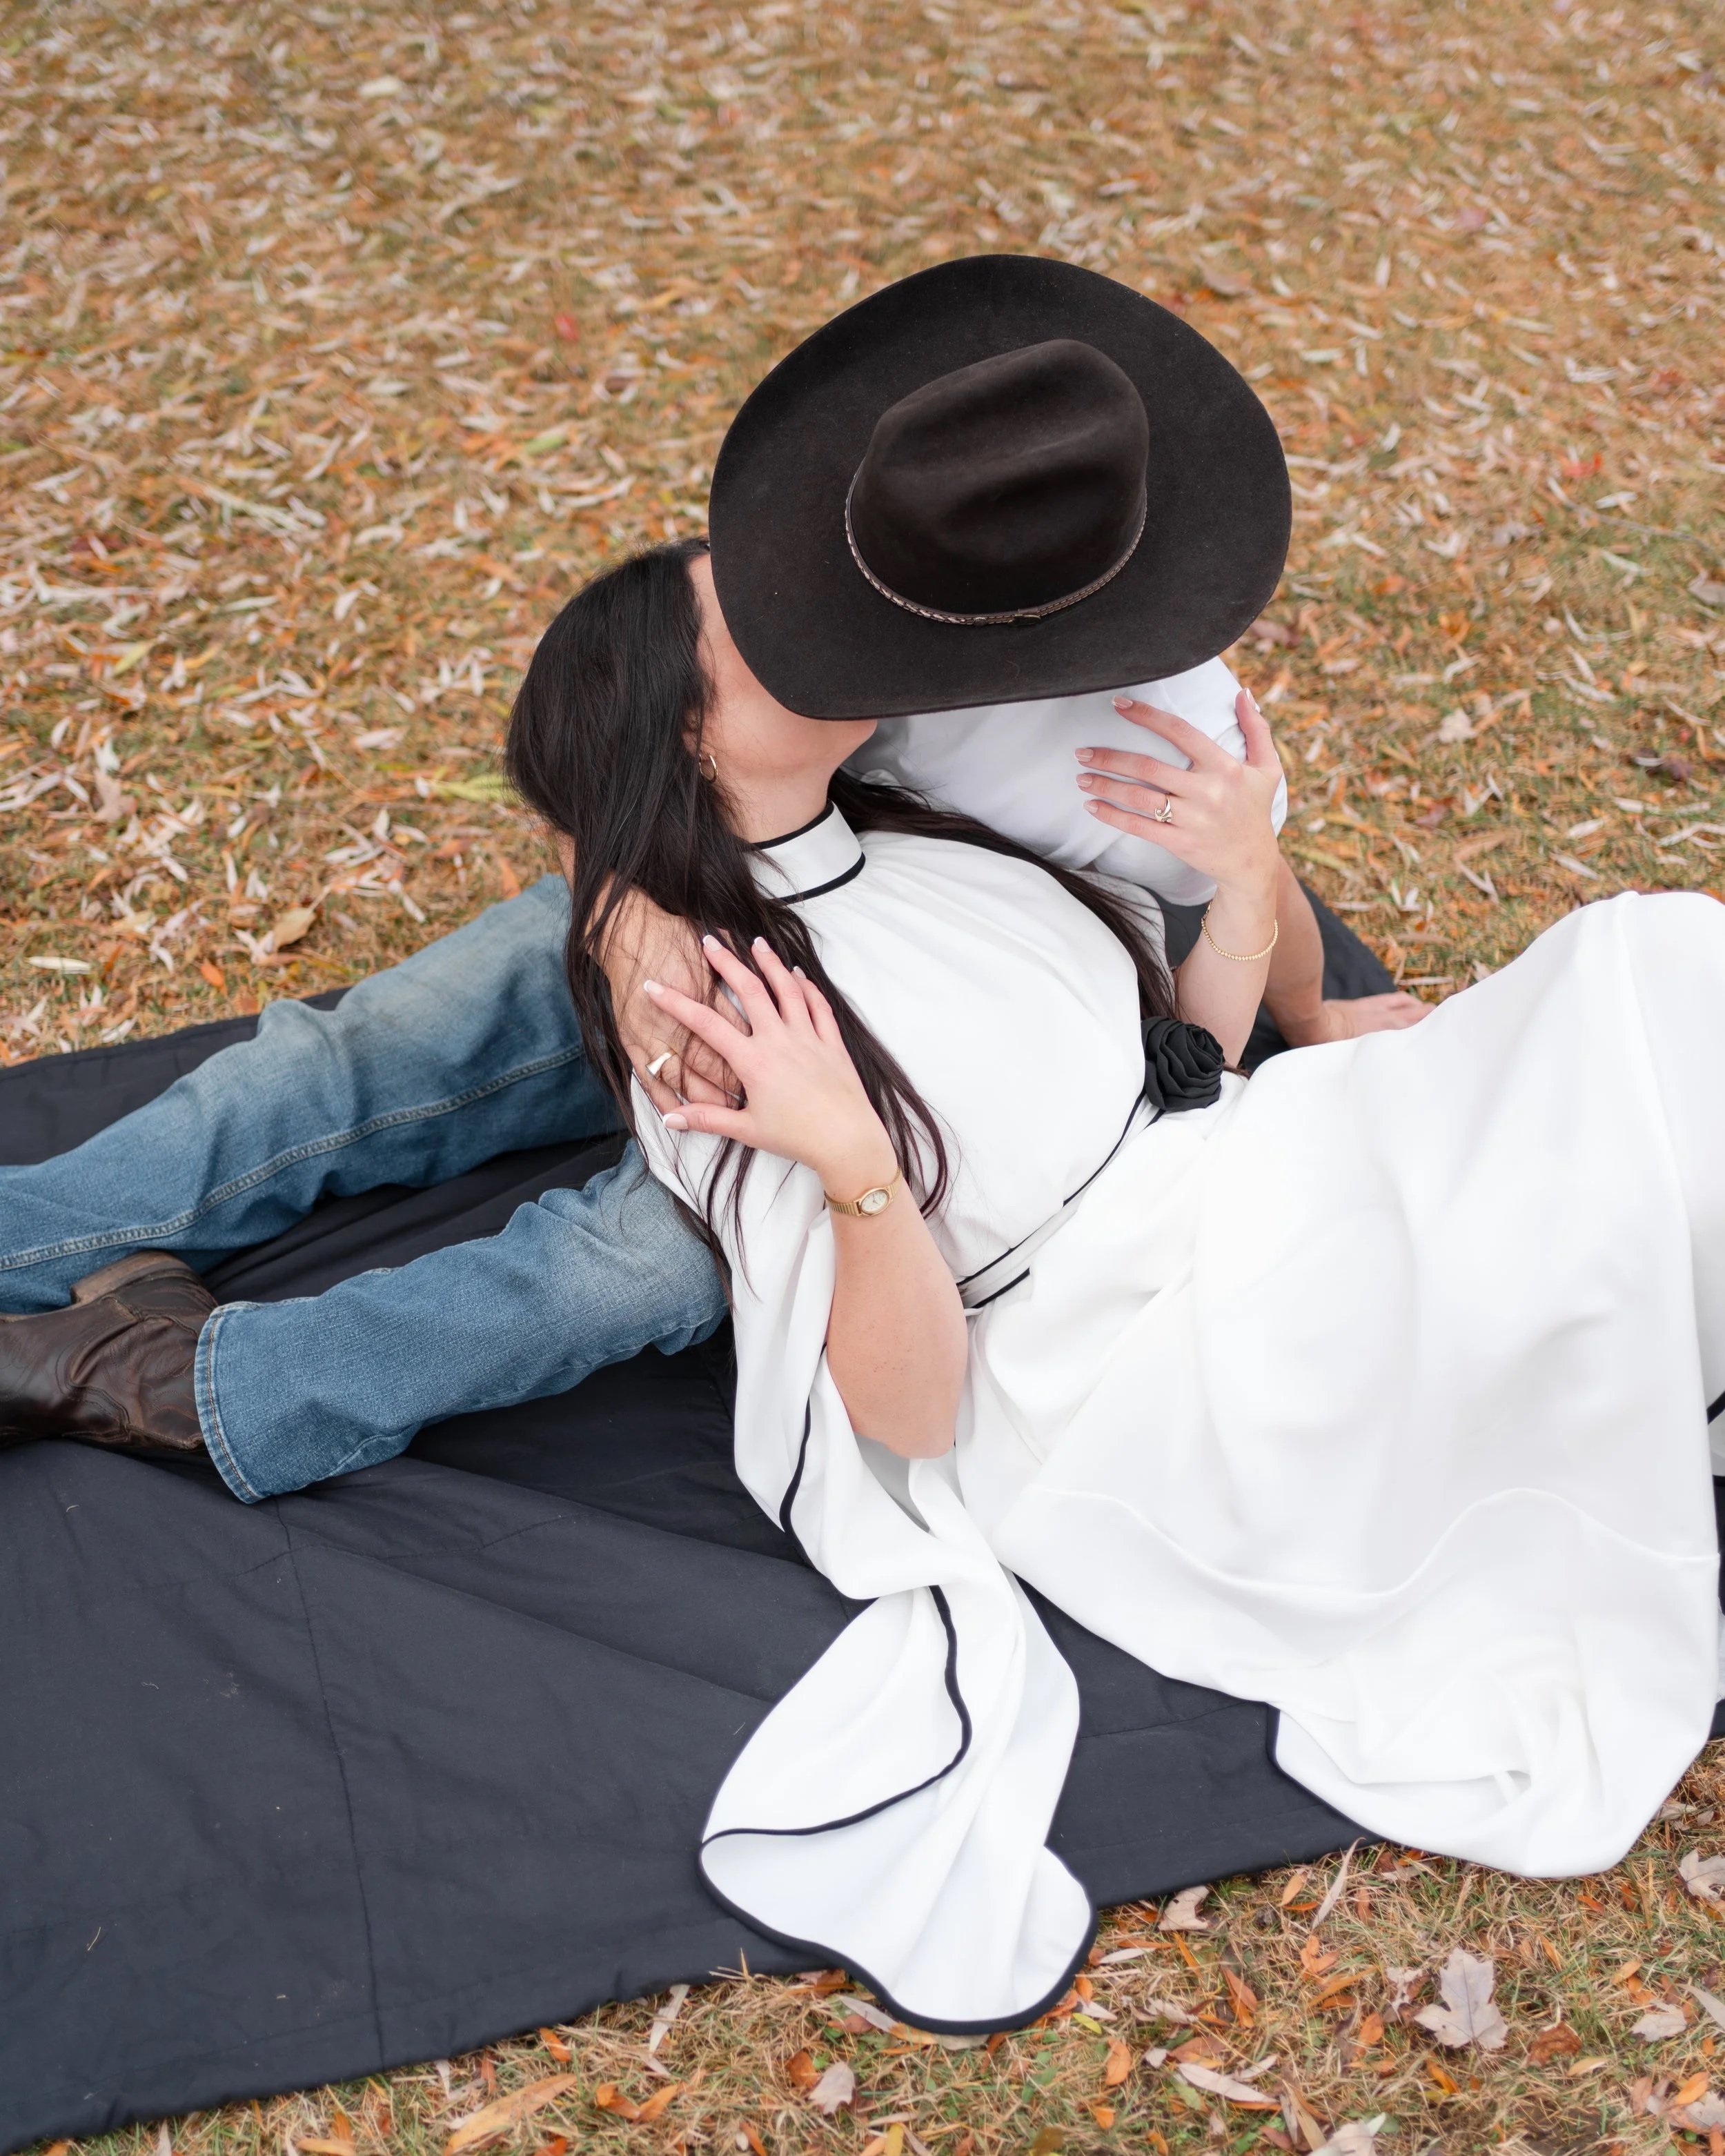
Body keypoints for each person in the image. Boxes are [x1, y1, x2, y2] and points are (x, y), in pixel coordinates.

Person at [505, 527, 1725, 2035]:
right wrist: (847, 1162)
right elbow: (904, 1415)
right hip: (1150, 1359)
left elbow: (1172, 1079)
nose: (802, 625)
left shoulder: (917, 832)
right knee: (1624, 1106)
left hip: (1256, 1172)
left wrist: (1239, 883)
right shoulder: (714, 1016)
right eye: (748, 631)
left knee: (1651, 975)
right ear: (679, 727)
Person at [0, 257, 1414, 1494]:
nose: (787, 622)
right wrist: (627, 937)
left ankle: (200, 1387)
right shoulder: (839, 537)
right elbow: (591, 744)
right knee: (378, 1046)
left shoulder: (1149, 747)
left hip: (893, 1045)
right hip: (697, 885)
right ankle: (36, 1233)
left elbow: (1232, 949)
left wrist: (1298, 992)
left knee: (645, 1260)